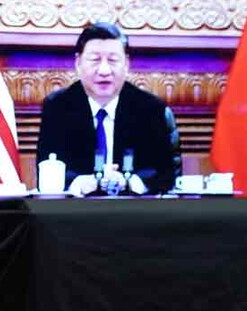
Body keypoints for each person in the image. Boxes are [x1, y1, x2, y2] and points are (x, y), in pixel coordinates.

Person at [35, 22, 181, 196]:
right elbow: (48, 168)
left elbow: (166, 174)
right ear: (78, 63)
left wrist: (129, 181)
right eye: (95, 60)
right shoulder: (58, 107)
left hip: (136, 214)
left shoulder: (150, 109)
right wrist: (79, 181)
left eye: (113, 60)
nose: (104, 70)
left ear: (126, 64)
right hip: (76, 214)